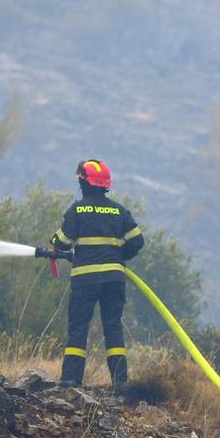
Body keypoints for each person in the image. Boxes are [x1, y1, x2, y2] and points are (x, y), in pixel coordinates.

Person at [44, 159, 144, 391]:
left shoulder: (77, 209)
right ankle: (120, 382)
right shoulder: (119, 210)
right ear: (105, 185)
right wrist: (120, 257)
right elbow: (138, 241)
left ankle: (71, 380)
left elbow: (62, 241)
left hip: (85, 279)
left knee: (79, 326)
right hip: (114, 279)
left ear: (83, 182)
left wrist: (57, 243)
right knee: (113, 327)